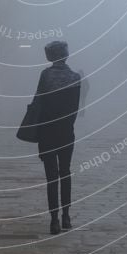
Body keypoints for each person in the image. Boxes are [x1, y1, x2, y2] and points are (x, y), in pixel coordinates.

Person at [33, 40, 80, 235]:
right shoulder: (75, 77)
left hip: (47, 132)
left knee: (51, 177)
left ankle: (54, 220)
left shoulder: (45, 76)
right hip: (66, 132)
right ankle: (66, 217)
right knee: (66, 173)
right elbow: (76, 109)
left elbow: (38, 103)